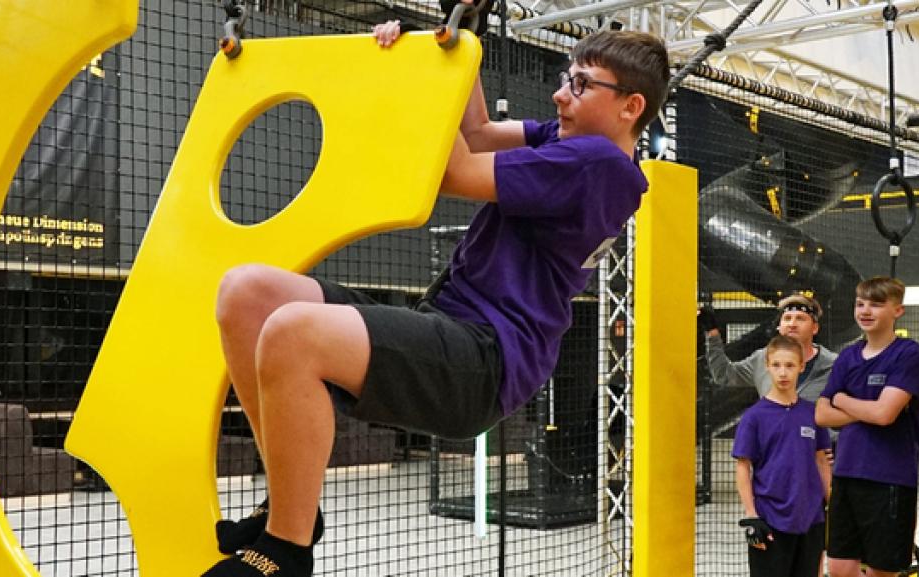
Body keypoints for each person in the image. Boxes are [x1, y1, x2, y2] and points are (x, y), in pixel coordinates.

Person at [202, 5, 671, 576]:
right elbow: (474, 131)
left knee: (292, 334)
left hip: (486, 358)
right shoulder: (570, 140)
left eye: (579, 84)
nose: (559, 96)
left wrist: (420, 62)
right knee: (247, 293)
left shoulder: (596, 162)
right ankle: (288, 503)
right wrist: (456, 42)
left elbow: (457, 169)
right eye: (563, 79)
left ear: (631, 106)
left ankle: (286, 550)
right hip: (449, 323)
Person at [815, 276, 919, 577]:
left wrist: (842, 398)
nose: (865, 311)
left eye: (876, 305)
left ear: (897, 311)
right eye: (860, 304)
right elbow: (822, 415)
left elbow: (884, 415)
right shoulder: (848, 356)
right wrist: (868, 409)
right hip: (846, 474)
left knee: (881, 569)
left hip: (889, 478)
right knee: (839, 566)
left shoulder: (908, 354)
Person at [733, 335, 832, 577]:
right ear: (767, 366)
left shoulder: (813, 413)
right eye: (776, 365)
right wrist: (751, 515)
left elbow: (821, 461)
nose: (783, 373)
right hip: (770, 521)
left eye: (789, 365)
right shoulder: (754, 417)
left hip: (811, 519)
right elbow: (743, 466)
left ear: (801, 366)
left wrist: (835, 506)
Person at [700, 294, 837, 402]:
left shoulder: (835, 365)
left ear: (815, 328)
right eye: (787, 318)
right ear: (779, 327)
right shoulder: (762, 359)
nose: (792, 324)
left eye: (800, 319)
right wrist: (712, 335)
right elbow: (724, 375)